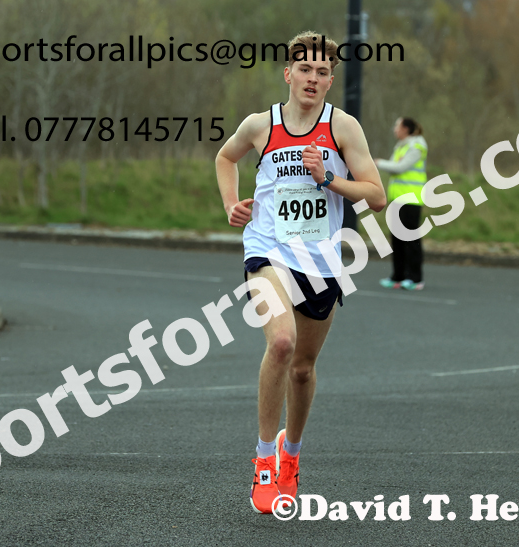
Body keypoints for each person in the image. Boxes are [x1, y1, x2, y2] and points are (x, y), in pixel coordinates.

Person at [215, 31, 386, 514]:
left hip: (321, 262)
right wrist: (232, 203)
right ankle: (264, 461)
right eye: (304, 70)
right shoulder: (259, 125)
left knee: (304, 369)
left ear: (331, 80)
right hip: (266, 251)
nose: (313, 79)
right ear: (288, 74)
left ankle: (291, 456)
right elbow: (225, 157)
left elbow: (377, 196)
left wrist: (328, 178)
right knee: (282, 343)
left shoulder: (343, 128)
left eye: (323, 72)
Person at [375, 117, 428, 290]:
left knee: (411, 239)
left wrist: (379, 163)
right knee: (396, 239)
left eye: (397, 126)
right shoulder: (401, 146)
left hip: (411, 199)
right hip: (397, 198)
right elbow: (394, 165)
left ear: (406, 129)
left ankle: (415, 278)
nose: (394, 129)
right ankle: (397, 276)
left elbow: (399, 167)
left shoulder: (417, 146)